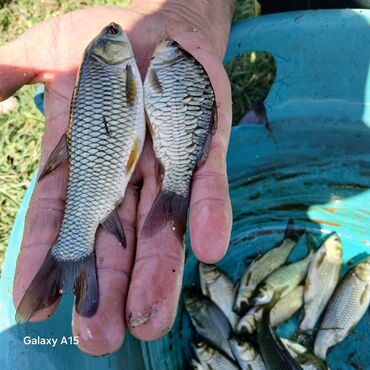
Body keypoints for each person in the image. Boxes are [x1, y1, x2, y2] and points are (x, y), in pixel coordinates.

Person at [0, 0, 235, 357]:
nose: (116, 32)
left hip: (106, 159)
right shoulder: (122, 70)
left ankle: (70, 257)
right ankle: (72, 252)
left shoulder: (116, 68)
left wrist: (187, 14)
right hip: (104, 163)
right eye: (113, 35)